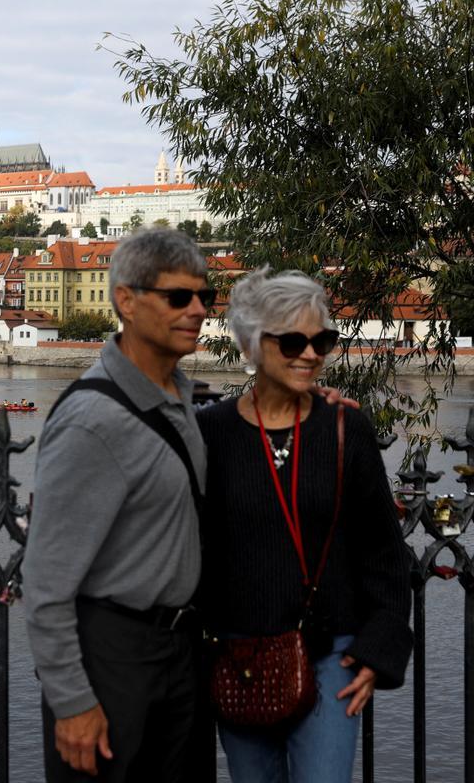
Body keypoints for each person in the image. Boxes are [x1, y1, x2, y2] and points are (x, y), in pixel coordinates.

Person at [196, 269, 411, 782]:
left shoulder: (344, 427)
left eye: (322, 340)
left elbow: (384, 553)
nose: (311, 354)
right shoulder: (210, 432)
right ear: (251, 343)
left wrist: (377, 651)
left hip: (330, 653)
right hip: (239, 654)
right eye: (293, 340)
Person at [23, 228, 210, 782]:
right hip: (113, 657)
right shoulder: (92, 421)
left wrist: (303, 400)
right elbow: (45, 583)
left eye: (205, 297)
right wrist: (73, 702)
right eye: (179, 297)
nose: (197, 309)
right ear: (126, 300)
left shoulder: (180, 397)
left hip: (179, 652)